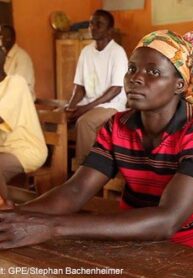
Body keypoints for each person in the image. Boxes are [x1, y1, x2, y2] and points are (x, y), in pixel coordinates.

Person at [0, 30, 193, 252]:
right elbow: (77, 190)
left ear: (179, 85)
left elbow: (167, 220)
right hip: (133, 245)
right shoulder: (117, 126)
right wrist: (14, 217)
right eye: (132, 69)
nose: (136, 78)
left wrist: (52, 226)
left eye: (153, 72)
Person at [65, 9, 128, 165]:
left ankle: (83, 169)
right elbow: (79, 87)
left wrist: (85, 108)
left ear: (110, 30)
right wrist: (70, 108)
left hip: (112, 105)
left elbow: (116, 89)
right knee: (59, 117)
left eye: (98, 24)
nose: (92, 27)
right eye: (91, 23)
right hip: (90, 103)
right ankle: (60, 166)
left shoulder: (117, 52)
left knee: (84, 122)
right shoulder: (86, 51)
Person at [0, 44, 47, 207]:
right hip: (5, 150)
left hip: (27, 149)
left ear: (4, 58)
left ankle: (6, 214)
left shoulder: (16, 83)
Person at [0, 24, 35, 97]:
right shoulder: (3, 55)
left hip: (21, 102)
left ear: (9, 39)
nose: (0, 41)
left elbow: (18, 87)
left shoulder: (22, 57)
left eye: (2, 37)